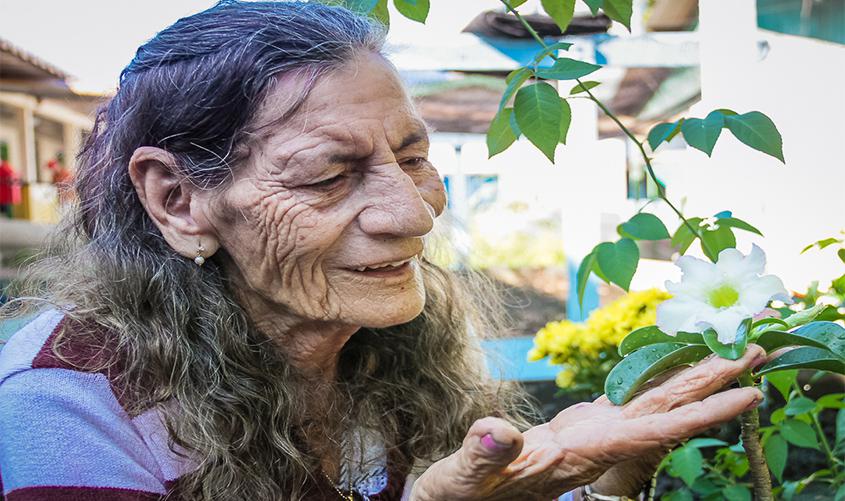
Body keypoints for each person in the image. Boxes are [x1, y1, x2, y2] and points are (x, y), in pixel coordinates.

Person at [0, 2, 766, 500]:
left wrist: (608, 481)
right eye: (329, 175)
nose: (412, 214)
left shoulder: (383, 345)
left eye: (411, 157)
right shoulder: (68, 404)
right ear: (177, 199)